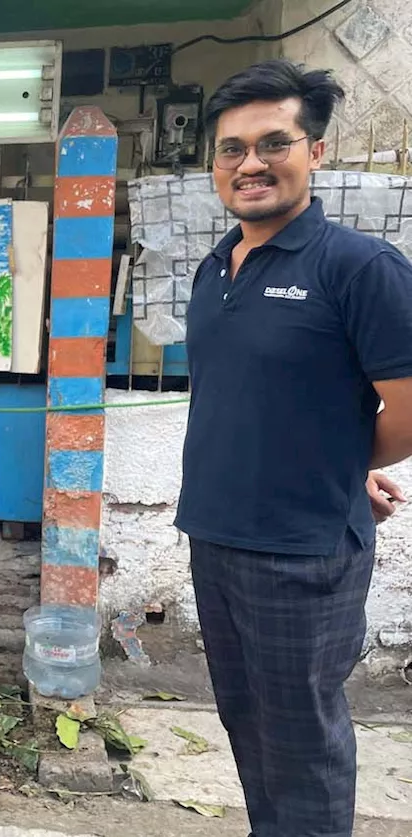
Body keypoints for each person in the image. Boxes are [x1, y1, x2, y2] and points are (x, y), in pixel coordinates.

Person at [177, 59, 412, 837]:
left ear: (313, 151)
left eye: (274, 142)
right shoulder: (216, 270)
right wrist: (338, 455)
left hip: (303, 553)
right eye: (232, 149)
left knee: (302, 742)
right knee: (247, 726)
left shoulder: (359, 268)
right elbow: (253, 398)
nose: (251, 163)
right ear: (215, 164)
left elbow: (408, 409)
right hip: (214, 535)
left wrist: (344, 470)